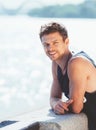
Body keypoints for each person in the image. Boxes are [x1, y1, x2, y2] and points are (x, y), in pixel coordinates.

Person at [39, 22, 96, 130]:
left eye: (55, 43)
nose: (50, 49)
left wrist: (63, 104)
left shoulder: (76, 63)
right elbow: (54, 97)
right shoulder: (56, 64)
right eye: (46, 44)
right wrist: (56, 104)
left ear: (66, 42)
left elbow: (76, 108)